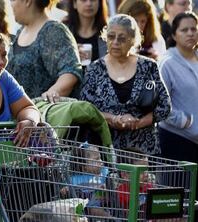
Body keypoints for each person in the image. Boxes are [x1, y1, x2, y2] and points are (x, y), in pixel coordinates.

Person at [80, 14, 170, 155]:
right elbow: (85, 109)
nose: (115, 42)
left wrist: (137, 123)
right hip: (105, 151)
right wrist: (114, 119)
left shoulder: (148, 66)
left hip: (143, 152)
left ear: (133, 40)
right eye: (111, 36)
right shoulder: (94, 69)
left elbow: (165, 107)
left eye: (122, 38)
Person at [7, 0, 82, 100]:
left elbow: (71, 72)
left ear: (27, 1)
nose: (10, 4)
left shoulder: (53, 30)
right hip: (17, 113)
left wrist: (50, 95)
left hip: (43, 113)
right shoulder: (20, 31)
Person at [158, 12, 198, 199]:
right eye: (184, 30)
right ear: (174, 35)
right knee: (178, 203)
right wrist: (183, 121)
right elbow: (158, 104)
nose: (190, 33)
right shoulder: (167, 63)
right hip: (176, 142)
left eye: (194, 29)